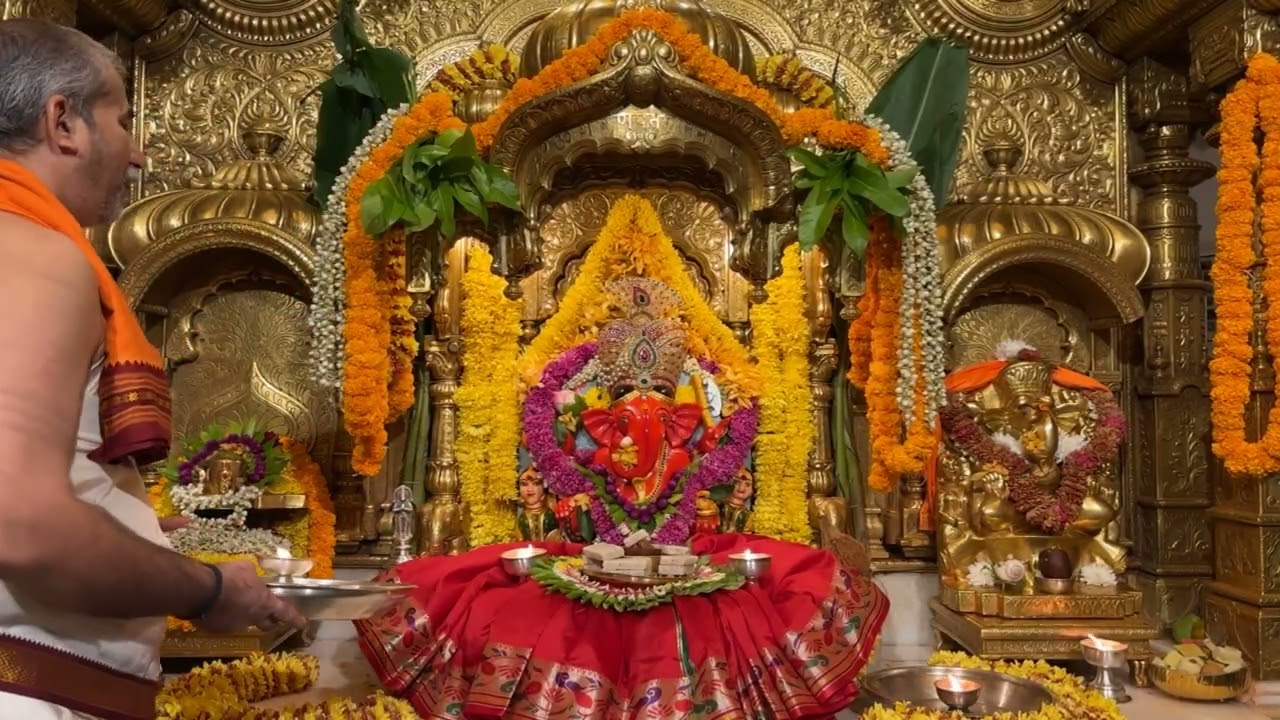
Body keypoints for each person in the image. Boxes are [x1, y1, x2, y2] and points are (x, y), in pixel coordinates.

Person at [0, 19, 305, 720]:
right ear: (63, 121)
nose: (137, 153)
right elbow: (21, 524)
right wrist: (207, 589)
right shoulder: (35, 258)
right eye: (124, 118)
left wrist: (126, 525)